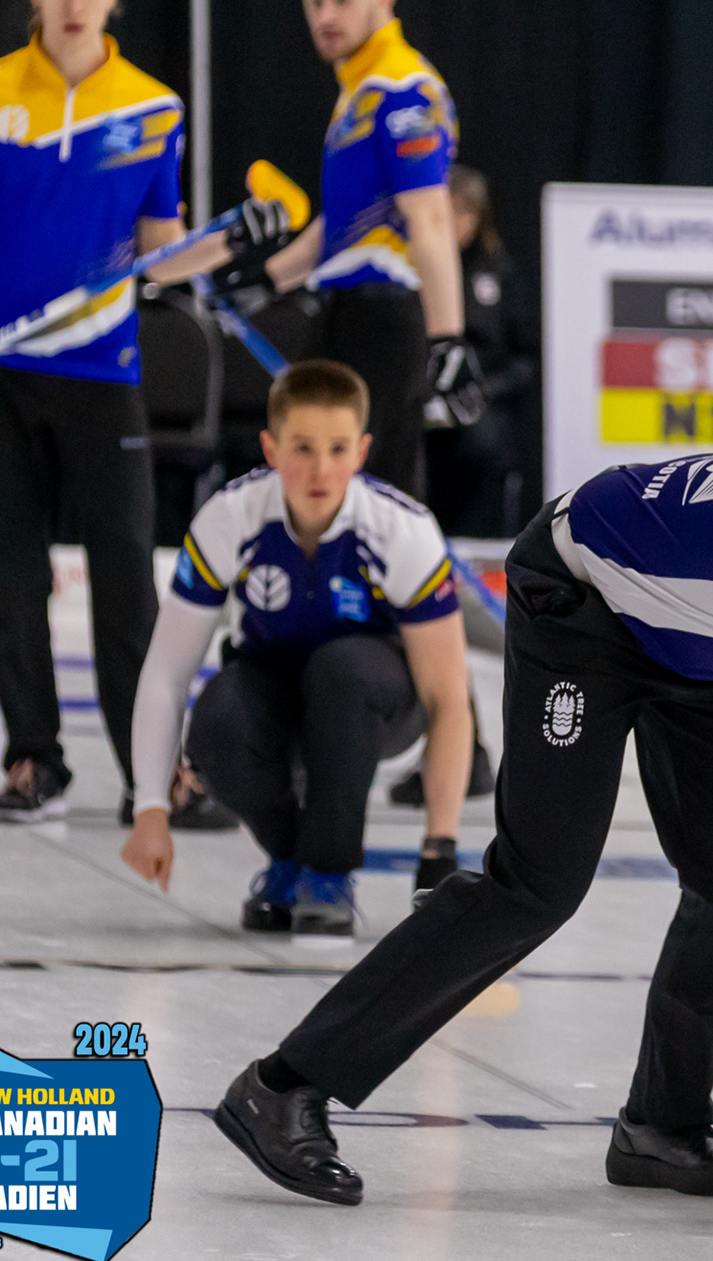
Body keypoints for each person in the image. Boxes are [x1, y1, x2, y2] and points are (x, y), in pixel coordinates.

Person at [211, 404, 713, 1207]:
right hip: (588, 601)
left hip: (708, 632)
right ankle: (284, 1086)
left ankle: (663, 1125)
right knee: (537, 883)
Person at [0, 0, 292, 823]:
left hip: (101, 371)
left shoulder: (152, 107)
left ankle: (154, 769)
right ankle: (34, 758)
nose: (71, 5)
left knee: (126, 572)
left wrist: (238, 238)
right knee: (10, 571)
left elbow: (161, 254)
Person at [119, 360, 472, 938]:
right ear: (271, 449)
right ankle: (289, 861)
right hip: (276, 695)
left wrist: (439, 851)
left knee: (343, 671)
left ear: (362, 452)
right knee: (217, 723)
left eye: (338, 449)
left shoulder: (404, 531)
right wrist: (151, 811)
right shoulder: (229, 519)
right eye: (302, 448)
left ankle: (329, 876)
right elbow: (165, 673)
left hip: (375, 704)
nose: (320, 469)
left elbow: (448, 699)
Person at [253, 0, 467, 501]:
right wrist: (265, 279)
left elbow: (430, 218)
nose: (326, 17)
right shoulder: (359, 88)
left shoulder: (402, 86)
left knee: (377, 498)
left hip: (384, 320)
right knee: (310, 488)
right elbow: (343, 225)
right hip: (341, 315)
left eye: (343, 2)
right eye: (315, 3)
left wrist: (448, 339)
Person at [422, 164, 537, 537]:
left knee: (482, 443)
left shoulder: (500, 272)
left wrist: (483, 390)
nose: (460, 223)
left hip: (481, 406)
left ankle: (479, 541)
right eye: (452, 211)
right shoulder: (412, 268)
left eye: (468, 212)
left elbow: (525, 359)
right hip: (423, 397)